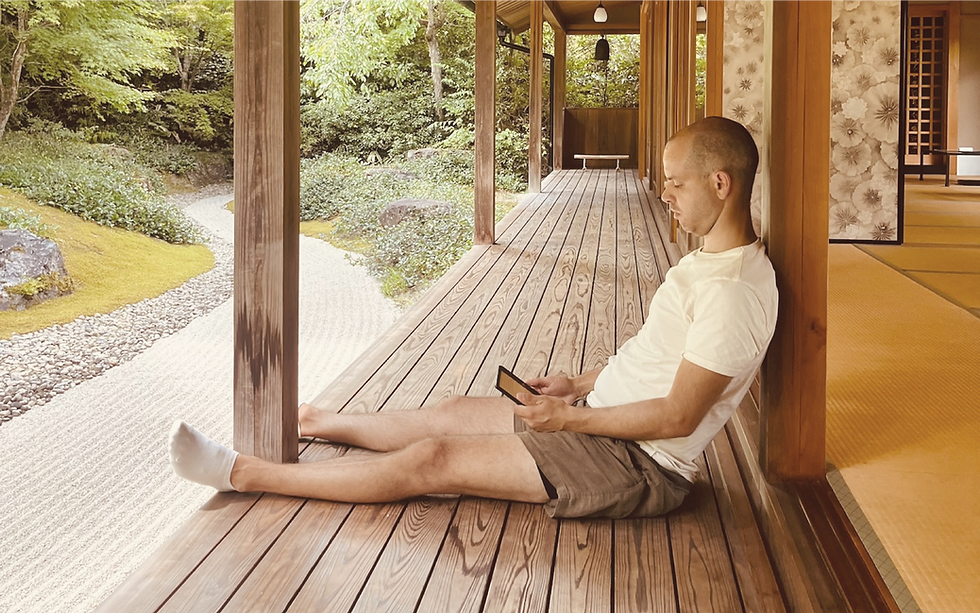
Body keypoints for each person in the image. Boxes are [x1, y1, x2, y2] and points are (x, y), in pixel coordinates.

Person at [169, 116, 778, 519]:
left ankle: (241, 473)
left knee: (432, 459)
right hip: (602, 416)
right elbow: (659, 358)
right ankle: (319, 421)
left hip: (639, 461)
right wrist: (579, 386)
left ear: (721, 183)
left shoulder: (734, 293)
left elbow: (676, 417)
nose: (665, 194)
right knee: (456, 412)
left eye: (675, 183)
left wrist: (565, 421)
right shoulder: (709, 264)